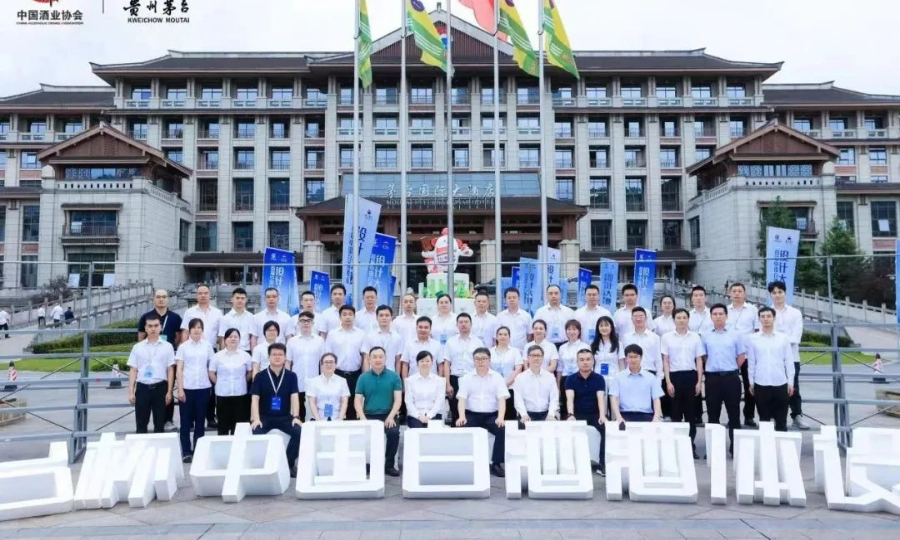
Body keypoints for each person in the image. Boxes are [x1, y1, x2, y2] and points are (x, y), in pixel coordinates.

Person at [250, 343, 303, 478]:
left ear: (285, 357)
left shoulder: (291, 376)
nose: (277, 357)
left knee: (299, 432)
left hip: (284, 416)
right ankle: (265, 466)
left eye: (280, 354)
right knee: (256, 433)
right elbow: (255, 399)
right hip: (264, 417)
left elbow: (294, 397)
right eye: (274, 354)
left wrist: (296, 416)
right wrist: (256, 418)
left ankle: (288, 464)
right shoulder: (260, 376)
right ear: (269, 357)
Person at [455, 347, 509, 478]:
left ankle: (496, 464)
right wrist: (461, 416)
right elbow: (462, 399)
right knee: (461, 426)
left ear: (489, 360)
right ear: (473, 361)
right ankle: (466, 463)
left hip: (491, 415)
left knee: (502, 428)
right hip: (472, 414)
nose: (480, 361)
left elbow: (502, 399)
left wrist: (500, 417)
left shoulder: (497, 377)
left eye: (484, 359)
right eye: (477, 359)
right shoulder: (467, 377)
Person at [139, 288, 184, 432]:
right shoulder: (146, 317)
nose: (161, 299)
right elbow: (140, 338)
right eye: (158, 297)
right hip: (151, 360)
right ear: (153, 298)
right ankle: (147, 422)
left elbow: (178, 338)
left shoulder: (175, 317)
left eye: (164, 297)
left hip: (168, 357)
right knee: (150, 390)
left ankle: (167, 420)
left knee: (168, 388)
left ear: (168, 299)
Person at [661, 308, 705, 457]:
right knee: (675, 414)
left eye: (684, 317)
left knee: (691, 414)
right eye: (678, 318)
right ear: (674, 320)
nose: (681, 320)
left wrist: (699, 381)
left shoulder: (695, 337)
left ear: (688, 319)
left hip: (691, 376)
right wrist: (668, 381)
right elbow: (665, 361)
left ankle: (690, 446)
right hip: (674, 377)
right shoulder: (667, 337)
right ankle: (676, 446)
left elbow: (699, 360)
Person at [704, 303, 746, 454]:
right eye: (715, 314)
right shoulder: (705, 335)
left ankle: (735, 448)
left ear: (726, 316)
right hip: (712, 379)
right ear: (711, 317)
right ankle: (714, 450)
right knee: (712, 415)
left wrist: (731, 368)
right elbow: (704, 356)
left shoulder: (736, 334)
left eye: (721, 314)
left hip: (731, 378)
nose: (718, 317)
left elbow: (741, 356)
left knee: (734, 414)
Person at [355, 346, 403, 477]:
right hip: (369, 415)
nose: (378, 360)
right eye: (374, 357)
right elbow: (357, 400)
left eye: (380, 357)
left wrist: (391, 416)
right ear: (369, 359)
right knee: (364, 435)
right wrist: (362, 417)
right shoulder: (363, 378)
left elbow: (398, 400)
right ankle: (368, 464)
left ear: (386, 359)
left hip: (389, 414)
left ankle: (389, 465)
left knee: (393, 433)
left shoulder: (394, 377)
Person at [769, 281, 809, 430]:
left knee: (794, 388)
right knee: (773, 388)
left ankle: (797, 416)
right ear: (770, 295)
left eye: (780, 292)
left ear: (785, 293)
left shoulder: (795, 313)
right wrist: (782, 338)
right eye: (774, 292)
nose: (777, 295)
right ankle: (775, 417)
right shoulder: (767, 313)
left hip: (792, 358)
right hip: (773, 359)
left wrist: (777, 338)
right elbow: (766, 336)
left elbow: (796, 338)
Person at [181, 284, 223, 429]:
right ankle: (192, 418)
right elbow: (185, 332)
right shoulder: (190, 312)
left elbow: (221, 336)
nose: (203, 295)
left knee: (209, 386)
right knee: (192, 385)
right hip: (192, 350)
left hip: (210, 351)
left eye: (205, 293)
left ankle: (210, 417)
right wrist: (184, 349)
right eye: (200, 293)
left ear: (210, 294)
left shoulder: (217, 313)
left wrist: (221, 354)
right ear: (196, 295)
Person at [746, 306, 794, 432]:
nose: (766, 319)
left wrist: (790, 382)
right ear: (759, 319)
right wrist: (751, 382)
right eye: (762, 316)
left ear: (774, 318)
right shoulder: (753, 338)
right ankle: (766, 444)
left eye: (769, 316)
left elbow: (789, 361)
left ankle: (781, 443)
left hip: (780, 383)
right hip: (761, 383)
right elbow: (751, 362)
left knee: (781, 421)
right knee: (764, 421)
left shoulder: (783, 338)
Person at [174, 318, 215, 462]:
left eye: (199, 327)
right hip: (187, 388)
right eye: (194, 327)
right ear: (189, 330)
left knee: (200, 421)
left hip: (203, 387)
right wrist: (180, 389)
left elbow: (212, 366)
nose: (197, 330)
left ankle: (198, 450)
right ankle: (186, 451)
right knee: (185, 422)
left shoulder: (207, 346)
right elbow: (179, 369)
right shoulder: (183, 347)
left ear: (202, 330)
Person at [127, 313, 175, 434]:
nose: (153, 328)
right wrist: (131, 391)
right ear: (145, 328)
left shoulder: (168, 347)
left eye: (156, 325)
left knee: (160, 424)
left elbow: (170, 369)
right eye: (150, 326)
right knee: (141, 424)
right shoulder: (137, 347)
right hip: (142, 388)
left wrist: (169, 391)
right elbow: (133, 369)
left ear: (160, 327)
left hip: (160, 387)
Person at [565, 349, 607, 475]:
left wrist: (602, 415)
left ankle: (602, 464)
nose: (585, 362)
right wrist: (571, 415)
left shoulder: (599, 378)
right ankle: (570, 464)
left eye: (588, 359)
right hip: (577, 414)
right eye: (582, 360)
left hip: (595, 414)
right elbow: (569, 399)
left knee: (606, 429)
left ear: (593, 361)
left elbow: (601, 399)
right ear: (577, 362)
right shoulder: (570, 379)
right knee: (567, 429)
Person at [324, 305, 368, 420]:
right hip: (337, 373)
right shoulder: (332, 334)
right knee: (336, 403)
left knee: (353, 405)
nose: (347, 317)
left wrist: (364, 376)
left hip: (355, 374)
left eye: (350, 314)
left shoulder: (361, 334)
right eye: (344, 314)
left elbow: (364, 356)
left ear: (354, 317)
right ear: (340, 317)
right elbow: (328, 356)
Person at [726, 282, 760, 428]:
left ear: (745, 293)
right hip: (729, 355)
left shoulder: (753, 310)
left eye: (740, 291)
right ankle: (732, 417)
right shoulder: (725, 310)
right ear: (729, 293)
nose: (737, 294)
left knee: (750, 386)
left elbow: (758, 331)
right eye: (734, 291)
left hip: (748, 355)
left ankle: (749, 416)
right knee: (730, 388)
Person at [443, 312, 485, 425]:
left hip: (472, 378)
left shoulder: (478, 342)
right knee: (455, 408)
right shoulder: (450, 342)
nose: (463, 324)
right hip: (455, 378)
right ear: (457, 325)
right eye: (461, 322)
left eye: (466, 322)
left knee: (470, 407)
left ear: (471, 324)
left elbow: (482, 362)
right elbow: (446, 363)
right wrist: (448, 384)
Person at [209, 328, 252, 435]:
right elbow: (211, 373)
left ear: (239, 339)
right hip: (223, 395)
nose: (233, 339)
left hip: (240, 395)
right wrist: (220, 383)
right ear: (225, 340)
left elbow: (249, 372)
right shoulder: (217, 356)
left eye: (236, 337)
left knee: (238, 428)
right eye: (230, 337)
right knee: (223, 426)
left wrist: (242, 382)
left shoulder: (246, 356)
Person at [609, 344, 663, 425]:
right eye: (630, 357)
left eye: (636, 357)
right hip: (625, 415)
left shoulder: (651, 377)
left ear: (641, 358)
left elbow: (656, 398)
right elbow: (614, 398)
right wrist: (618, 417)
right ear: (626, 358)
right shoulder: (618, 377)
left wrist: (656, 417)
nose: (633, 360)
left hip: (646, 415)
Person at [286, 311, 326, 420]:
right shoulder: (292, 341)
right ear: (298, 323)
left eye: (308, 321)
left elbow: (323, 362)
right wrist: (288, 379)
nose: (306, 323)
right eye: (302, 321)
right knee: (298, 412)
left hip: (314, 380)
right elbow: (288, 362)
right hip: (297, 380)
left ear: (313, 323)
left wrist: (323, 379)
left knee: (314, 411)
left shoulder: (320, 341)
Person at [513, 345, 560, 428]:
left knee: (554, 426)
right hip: (528, 414)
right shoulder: (520, 378)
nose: (536, 358)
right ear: (528, 358)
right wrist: (524, 414)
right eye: (533, 355)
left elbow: (554, 398)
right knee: (521, 426)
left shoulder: (550, 377)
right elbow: (518, 399)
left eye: (538, 355)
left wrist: (551, 414)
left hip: (546, 413)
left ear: (542, 358)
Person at [556, 319, 589, 417]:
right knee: (565, 406)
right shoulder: (562, 347)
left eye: (574, 329)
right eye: (569, 329)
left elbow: (588, 364)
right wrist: (558, 384)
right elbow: (560, 367)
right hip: (565, 378)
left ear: (579, 331)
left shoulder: (585, 346)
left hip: (580, 378)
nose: (571, 332)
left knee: (579, 405)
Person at [490, 326, 524, 420]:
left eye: (505, 334)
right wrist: (498, 385)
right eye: (500, 334)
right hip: (493, 388)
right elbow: (488, 369)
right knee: (495, 416)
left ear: (509, 337)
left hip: (510, 387)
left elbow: (518, 369)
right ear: (496, 337)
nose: (503, 336)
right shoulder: (490, 351)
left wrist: (506, 383)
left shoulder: (515, 351)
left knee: (510, 417)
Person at [405, 351, 445, 428]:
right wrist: (419, 416)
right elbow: (409, 402)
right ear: (417, 363)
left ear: (432, 363)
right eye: (422, 361)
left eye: (427, 361)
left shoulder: (439, 380)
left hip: (434, 415)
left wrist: (429, 416)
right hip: (415, 416)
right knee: (418, 430)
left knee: (433, 432)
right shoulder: (410, 380)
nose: (425, 363)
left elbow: (439, 402)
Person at [306, 352, 350, 421]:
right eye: (326, 362)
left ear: (335, 365)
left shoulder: (342, 381)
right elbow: (312, 403)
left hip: (337, 418)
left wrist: (340, 419)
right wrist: (318, 420)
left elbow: (344, 402)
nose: (329, 364)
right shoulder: (313, 381)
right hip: (318, 418)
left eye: (331, 362)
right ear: (321, 365)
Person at [622, 307, 663, 379]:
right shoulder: (626, 337)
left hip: (649, 372)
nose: (638, 319)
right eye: (635, 316)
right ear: (631, 319)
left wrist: (659, 377)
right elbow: (624, 359)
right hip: (630, 373)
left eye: (641, 316)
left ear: (646, 318)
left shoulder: (654, 337)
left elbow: (658, 359)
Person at [362, 305, 404, 373]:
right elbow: (366, 358)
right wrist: (366, 376)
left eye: (387, 315)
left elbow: (398, 360)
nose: (384, 318)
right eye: (381, 315)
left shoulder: (397, 337)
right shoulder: (370, 336)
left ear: (391, 317)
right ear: (376, 317)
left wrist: (397, 376)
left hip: (390, 374)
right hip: (373, 374)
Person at [590, 316, 623, 384]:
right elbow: (591, 364)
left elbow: (621, 364)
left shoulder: (618, 344)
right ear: (598, 328)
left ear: (611, 327)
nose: (604, 328)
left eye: (606, 325)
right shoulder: (593, 345)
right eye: (601, 325)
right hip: (597, 379)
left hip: (614, 379)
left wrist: (622, 380)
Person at [219, 288, 254, 352]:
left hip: (246, 351)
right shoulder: (225, 318)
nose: (240, 300)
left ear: (246, 300)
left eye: (242, 298)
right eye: (237, 298)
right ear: (232, 299)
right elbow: (223, 338)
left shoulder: (251, 317)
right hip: (230, 351)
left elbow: (252, 337)